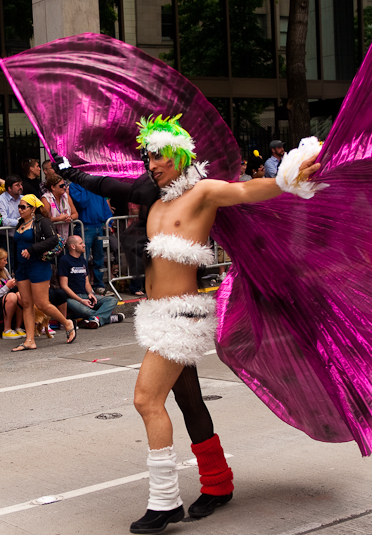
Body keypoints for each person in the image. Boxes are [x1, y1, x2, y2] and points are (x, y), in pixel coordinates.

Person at [52, 114, 322, 533]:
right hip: (157, 313)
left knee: (146, 400)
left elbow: (247, 190)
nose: (151, 164)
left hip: (181, 316)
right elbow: (107, 185)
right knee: (188, 400)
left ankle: (164, 502)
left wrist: (288, 177)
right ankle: (218, 483)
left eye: (158, 156)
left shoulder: (202, 193)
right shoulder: (154, 198)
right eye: (148, 157)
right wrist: (72, 172)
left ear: (179, 157)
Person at [11, 194, 77, 351]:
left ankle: (67, 323)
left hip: (38, 265)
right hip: (22, 268)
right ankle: (29, 340)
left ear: (33, 209)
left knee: (42, 303)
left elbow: (53, 239)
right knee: (26, 303)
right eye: (19, 206)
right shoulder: (20, 223)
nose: (20, 209)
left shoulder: (42, 222)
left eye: (23, 207)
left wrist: (32, 249)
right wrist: (15, 268)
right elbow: (15, 246)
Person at [58, 235, 123, 328]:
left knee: (112, 300)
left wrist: (90, 293)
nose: (84, 245)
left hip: (85, 295)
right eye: (81, 243)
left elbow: (87, 282)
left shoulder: (83, 260)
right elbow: (64, 286)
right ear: (73, 246)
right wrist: (81, 300)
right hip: (71, 298)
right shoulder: (64, 260)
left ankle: (95, 319)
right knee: (86, 311)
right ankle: (108, 318)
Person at [69, 181, 113, 295]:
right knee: (82, 259)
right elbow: (81, 202)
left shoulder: (95, 185)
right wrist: (87, 186)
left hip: (99, 227)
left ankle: (99, 286)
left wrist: (109, 222)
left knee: (99, 259)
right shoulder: (75, 186)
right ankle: (82, 287)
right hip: (84, 227)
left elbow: (104, 205)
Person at [41, 174, 78, 241]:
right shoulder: (45, 198)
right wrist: (59, 219)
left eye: (64, 185)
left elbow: (75, 214)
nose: (64, 187)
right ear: (53, 187)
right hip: (52, 233)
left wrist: (70, 217)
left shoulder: (66, 196)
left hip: (67, 232)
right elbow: (45, 219)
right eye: (61, 186)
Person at [0, 247, 24, 339]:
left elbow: (11, 282)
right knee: (12, 296)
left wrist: (15, 283)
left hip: (5, 297)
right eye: (4, 260)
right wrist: (7, 287)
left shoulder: (4, 270)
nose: (6, 262)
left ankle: (18, 327)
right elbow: (6, 288)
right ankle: (7, 330)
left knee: (20, 295)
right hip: (3, 298)